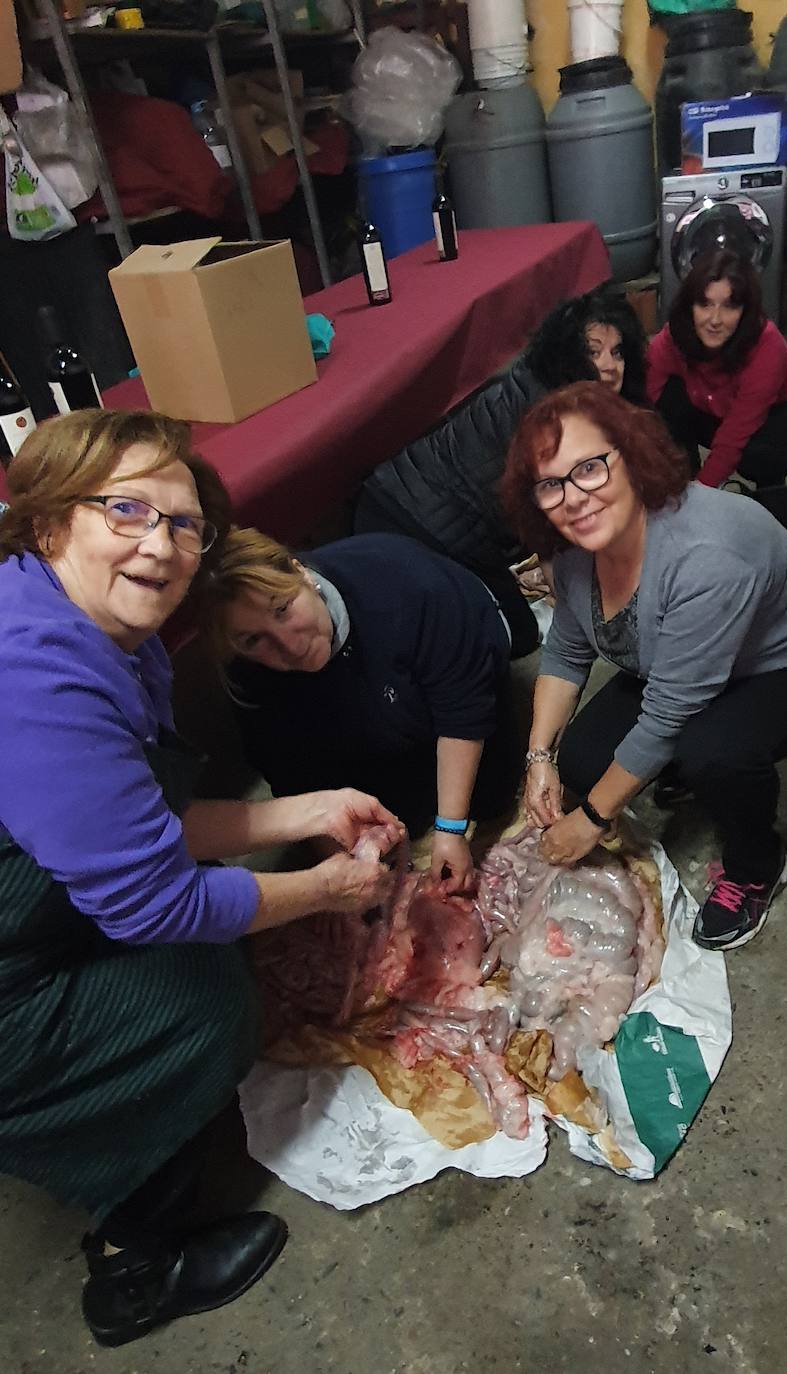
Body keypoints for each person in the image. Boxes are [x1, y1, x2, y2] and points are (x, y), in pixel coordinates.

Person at [0, 410, 405, 1347]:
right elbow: (155, 899)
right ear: (54, 520)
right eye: (129, 510)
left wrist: (306, 809)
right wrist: (330, 891)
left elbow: (136, 829)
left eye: (184, 525)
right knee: (204, 999)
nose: (164, 545)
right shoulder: (34, 673)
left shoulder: (101, 629)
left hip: (43, 895)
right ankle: (134, 1266)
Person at [501, 382, 787, 951]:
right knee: (582, 759)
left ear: (630, 454)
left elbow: (669, 712)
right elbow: (567, 652)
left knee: (708, 752)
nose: (573, 497)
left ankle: (758, 863)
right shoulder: (570, 551)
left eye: (590, 468)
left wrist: (593, 818)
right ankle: (680, 776)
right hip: (681, 665)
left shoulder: (705, 559)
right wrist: (539, 758)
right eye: (551, 484)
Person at [201, 527, 523, 894]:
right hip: (371, 719)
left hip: (454, 665)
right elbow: (289, 769)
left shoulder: (408, 584)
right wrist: (340, 858)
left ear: (301, 573)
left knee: (491, 795)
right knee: (386, 827)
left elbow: (464, 707)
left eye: (283, 609)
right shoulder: (245, 672)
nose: (289, 645)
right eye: (253, 639)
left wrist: (450, 830)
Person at [353, 287, 648, 658]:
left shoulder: (542, 383)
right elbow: (553, 541)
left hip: (408, 502)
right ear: (566, 352)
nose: (609, 365)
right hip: (410, 528)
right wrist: (592, 620)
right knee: (514, 635)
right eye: (593, 351)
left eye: (618, 352)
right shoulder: (553, 423)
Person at [647, 249, 787, 489]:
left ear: (745, 311)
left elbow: (733, 437)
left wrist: (702, 497)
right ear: (689, 306)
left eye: (729, 306)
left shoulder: (767, 345)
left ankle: (771, 495)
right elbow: (646, 398)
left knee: (757, 457)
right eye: (705, 304)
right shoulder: (674, 334)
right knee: (666, 404)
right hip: (716, 404)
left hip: (784, 408)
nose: (715, 319)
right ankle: (683, 477)